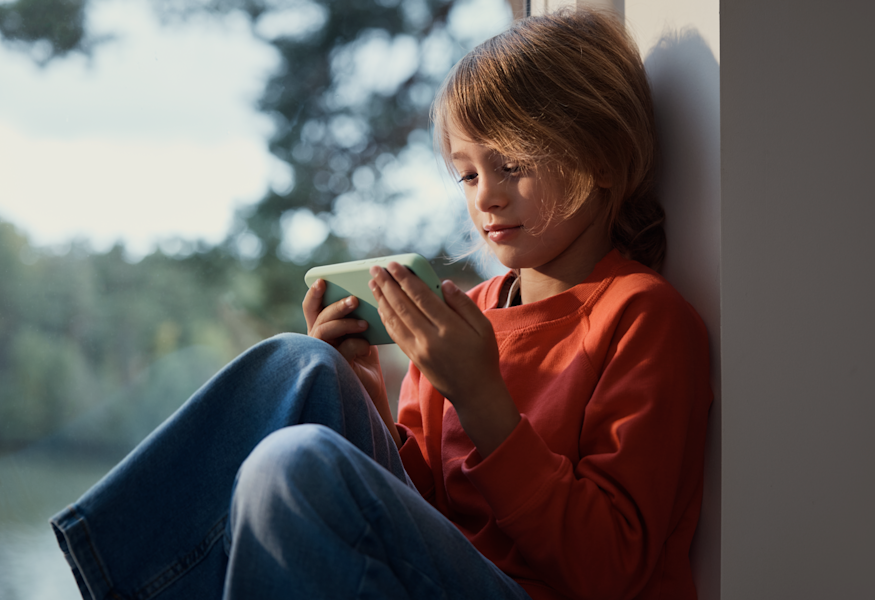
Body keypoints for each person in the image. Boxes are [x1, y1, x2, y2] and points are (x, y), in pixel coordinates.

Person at [50, 8, 712, 600]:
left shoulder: (642, 318)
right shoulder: (458, 317)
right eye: (468, 173)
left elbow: (609, 569)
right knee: (298, 363)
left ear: (600, 158)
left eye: (511, 165)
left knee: (292, 463)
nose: (485, 196)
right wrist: (365, 395)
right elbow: (423, 507)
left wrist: (481, 399)